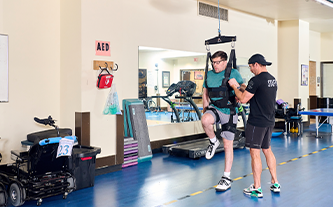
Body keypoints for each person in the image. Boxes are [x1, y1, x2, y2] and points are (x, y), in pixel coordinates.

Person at [228, 53, 280, 198]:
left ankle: (257, 188)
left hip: (257, 122)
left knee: (255, 153)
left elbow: (243, 99)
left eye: (251, 66)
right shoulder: (272, 79)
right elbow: (259, 96)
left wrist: (234, 86)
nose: (250, 69)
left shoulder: (256, 80)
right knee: (267, 150)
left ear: (256, 64)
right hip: (269, 121)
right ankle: (275, 182)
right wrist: (243, 87)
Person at [201, 50, 246, 191]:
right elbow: (205, 92)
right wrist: (204, 107)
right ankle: (214, 142)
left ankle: (226, 177)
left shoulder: (233, 73)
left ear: (225, 62)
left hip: (230, 111)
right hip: (215, 108)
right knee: (205, 120)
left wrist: (237, 87)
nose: (215, 65)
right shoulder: (209, 74)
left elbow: (243, 87)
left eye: (217, 62)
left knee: (228, 145)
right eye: (213, 62)